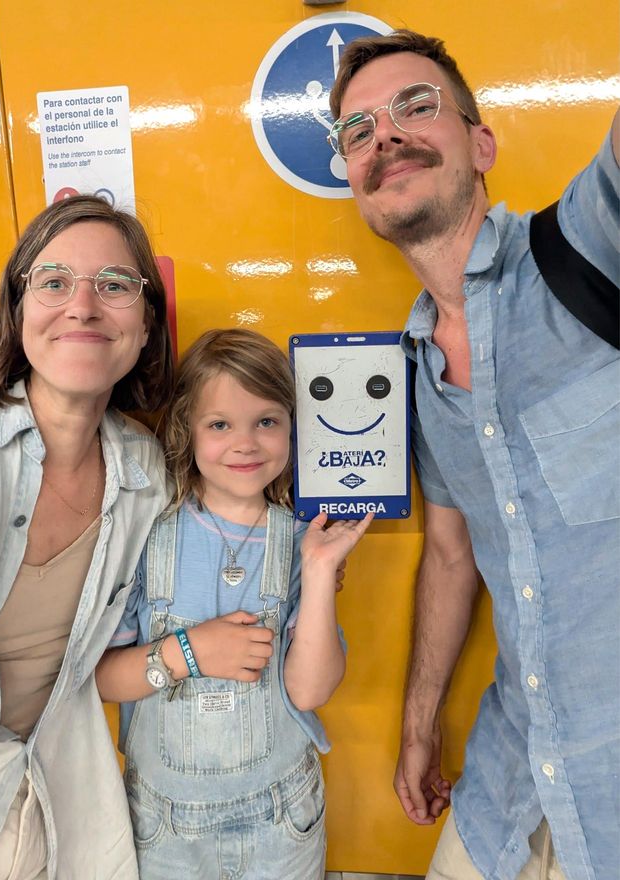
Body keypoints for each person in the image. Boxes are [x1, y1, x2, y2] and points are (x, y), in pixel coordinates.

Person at [328, 28, 619, 880]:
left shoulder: (591, 247)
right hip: (507, 783)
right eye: (358, 131)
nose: (385, 137)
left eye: (415, 106)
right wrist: (420, 724)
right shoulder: (413, 375)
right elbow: (453, 556)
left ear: (481, 143)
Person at [96, 328, 372, 879]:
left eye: (266, 421)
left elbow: (311, 689)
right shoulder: (147, 535)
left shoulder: (303, 539)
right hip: (165, 826)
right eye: (220, 425)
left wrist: (319, 573)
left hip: (282, 819)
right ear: (187, 432)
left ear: (295, 429)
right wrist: (190, 652)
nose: (245, 444)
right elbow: (101, 680)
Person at [0, 194, 175, 879]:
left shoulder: (147, 473)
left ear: (145, 328)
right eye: (53, 283)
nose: (82, 307)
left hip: (47, 796)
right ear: (18, 313)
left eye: (114, 286)